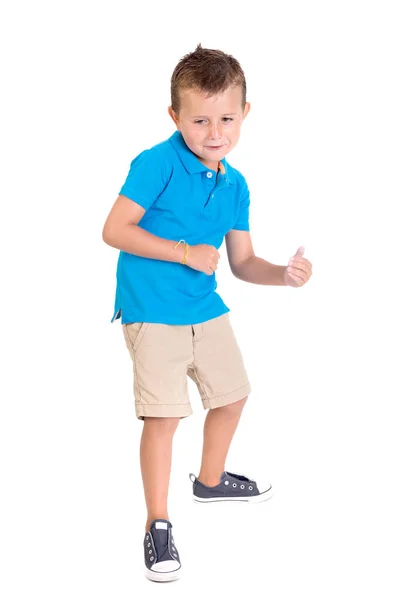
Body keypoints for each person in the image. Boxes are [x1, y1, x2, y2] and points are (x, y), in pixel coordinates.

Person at [102, 43, 312, 582]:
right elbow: (114, 229)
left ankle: (211, 481)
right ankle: (157, 525)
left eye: (226, 117)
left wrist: (282, 275)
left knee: (234, 394)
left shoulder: (235, 184)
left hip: (205, 307)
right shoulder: (156, 163)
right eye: (199, 120)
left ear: (245, 114)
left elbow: (242, 262)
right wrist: (183, 252)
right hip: (151, 310)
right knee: (164, 416)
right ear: (175, 117)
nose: (214, 131)